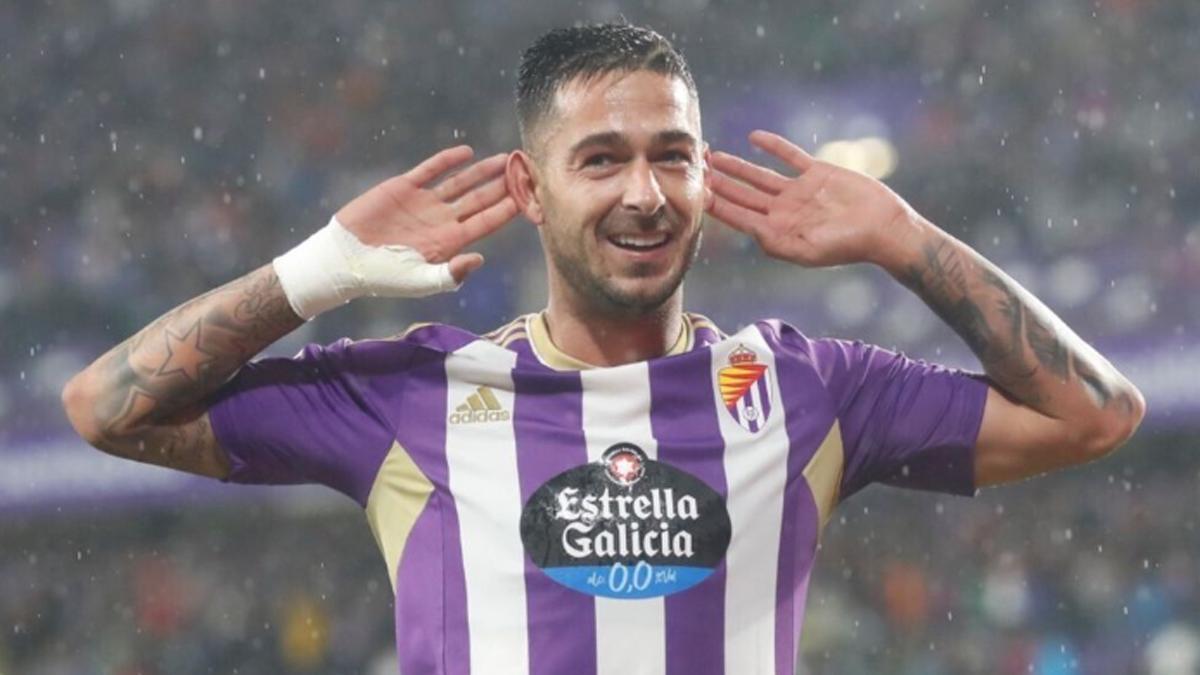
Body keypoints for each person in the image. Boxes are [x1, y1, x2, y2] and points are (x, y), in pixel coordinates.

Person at [62, 22, 1144, 675]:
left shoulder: (807, 389)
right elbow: (108, 409)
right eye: (603, 159)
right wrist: (319, 270)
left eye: (675, 158)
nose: (645, 193)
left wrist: (908, 241)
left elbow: (1093, 414)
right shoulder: (417, 394)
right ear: (528, 189)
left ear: (707, 180)